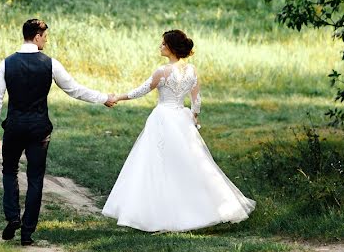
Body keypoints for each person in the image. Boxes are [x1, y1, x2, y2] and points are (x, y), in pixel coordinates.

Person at [102, 29, 255, 232]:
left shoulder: (162, 71)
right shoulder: (192, 70)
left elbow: (141, 90)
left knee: (157, 163)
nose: (160, 46)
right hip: (181, 119)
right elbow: (196, 100)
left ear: (172, 48)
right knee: (188, 163)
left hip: (163, 118)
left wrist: (117, 97)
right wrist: (193, 117)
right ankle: (196, 209)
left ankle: (156, 215)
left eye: (163, 44)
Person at [0, 18, 117, 246]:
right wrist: (104, 98)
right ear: (36, 36)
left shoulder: (6, 63)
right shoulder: (50, 64)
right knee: (35, 178)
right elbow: (75, 90)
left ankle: (12, 217)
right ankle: (27, 233)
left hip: (15, 127)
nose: (46, 40)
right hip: (39, 129)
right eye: (45, 36)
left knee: (9, 171)